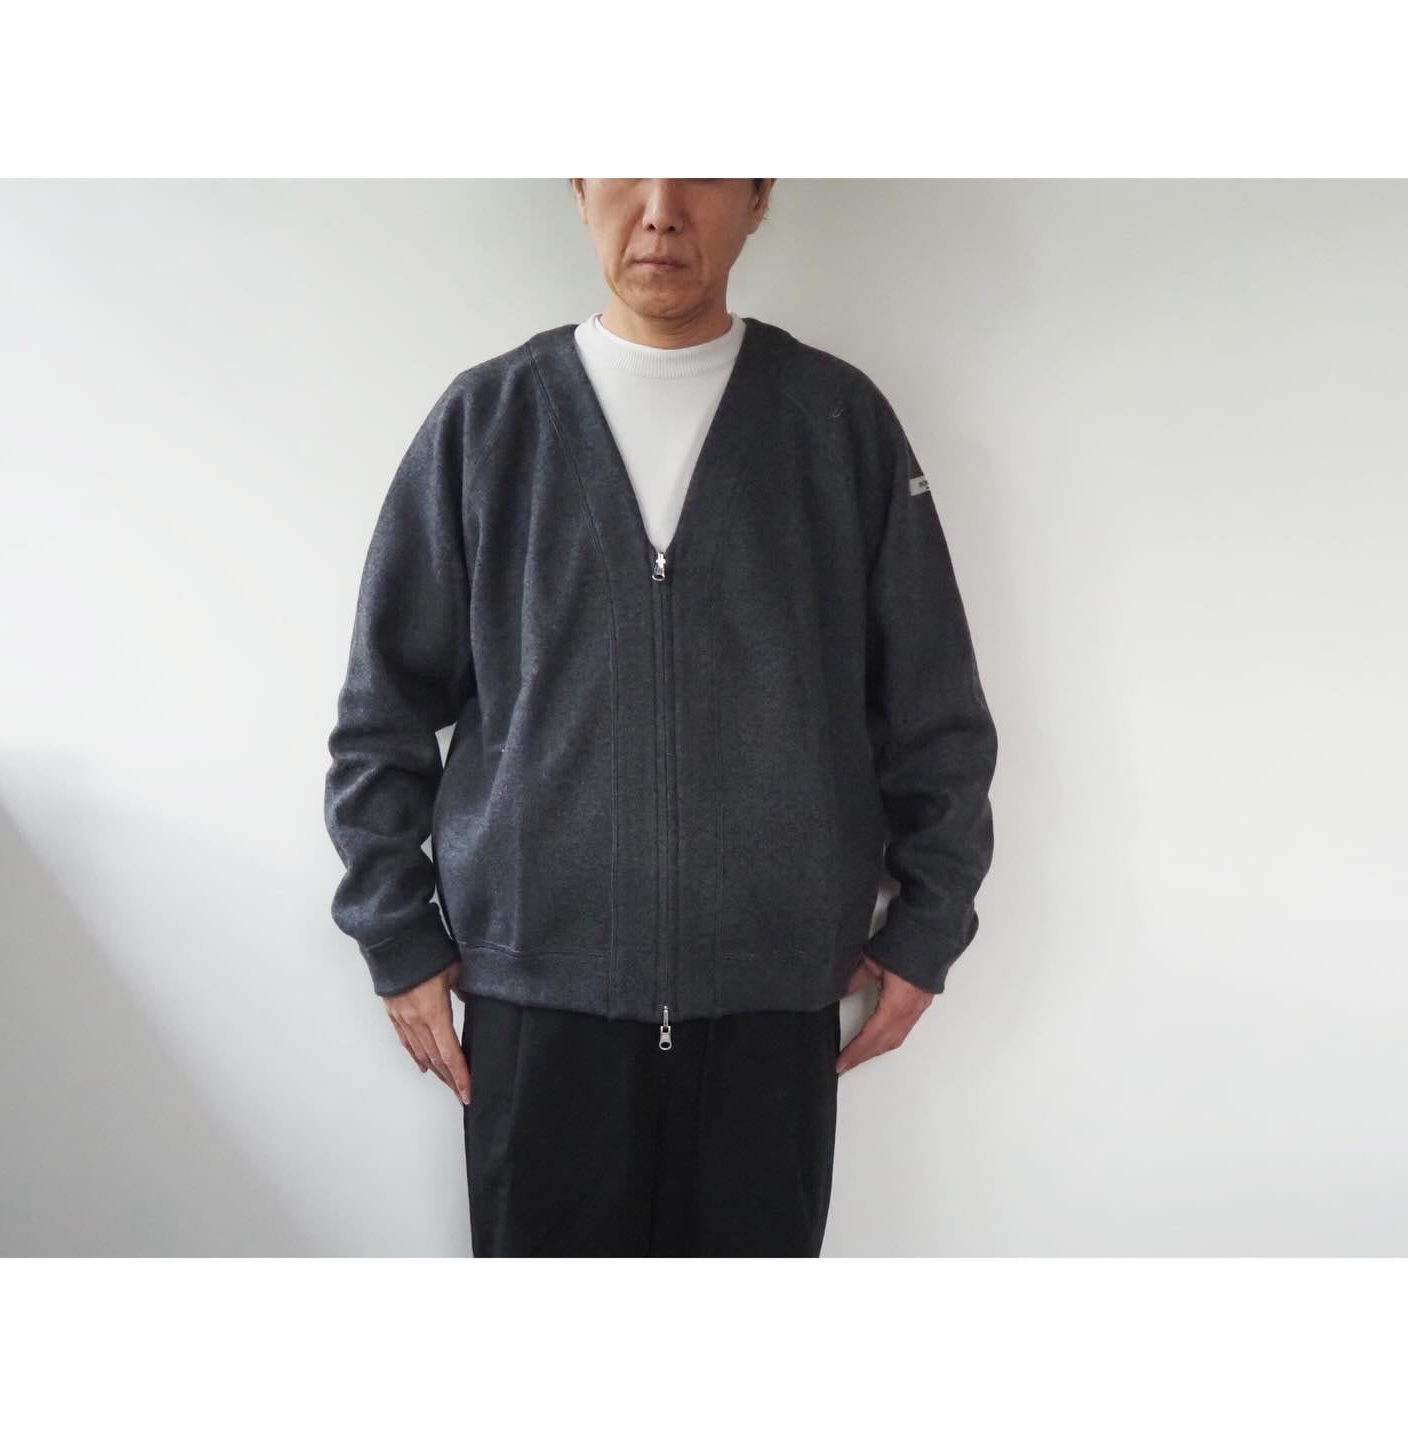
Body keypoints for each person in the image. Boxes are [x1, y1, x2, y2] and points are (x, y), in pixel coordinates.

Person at [322, 178, 998, 1256]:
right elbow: (381, 714)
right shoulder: (489, 422)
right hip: (536, 1006)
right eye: (626, 167)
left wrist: (929, 925)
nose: (660, 207)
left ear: (759, 193)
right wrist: (396, 935)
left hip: (771, 1011)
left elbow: (936, 708)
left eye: (701, 170)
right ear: (579, 185)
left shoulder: (835, 423)